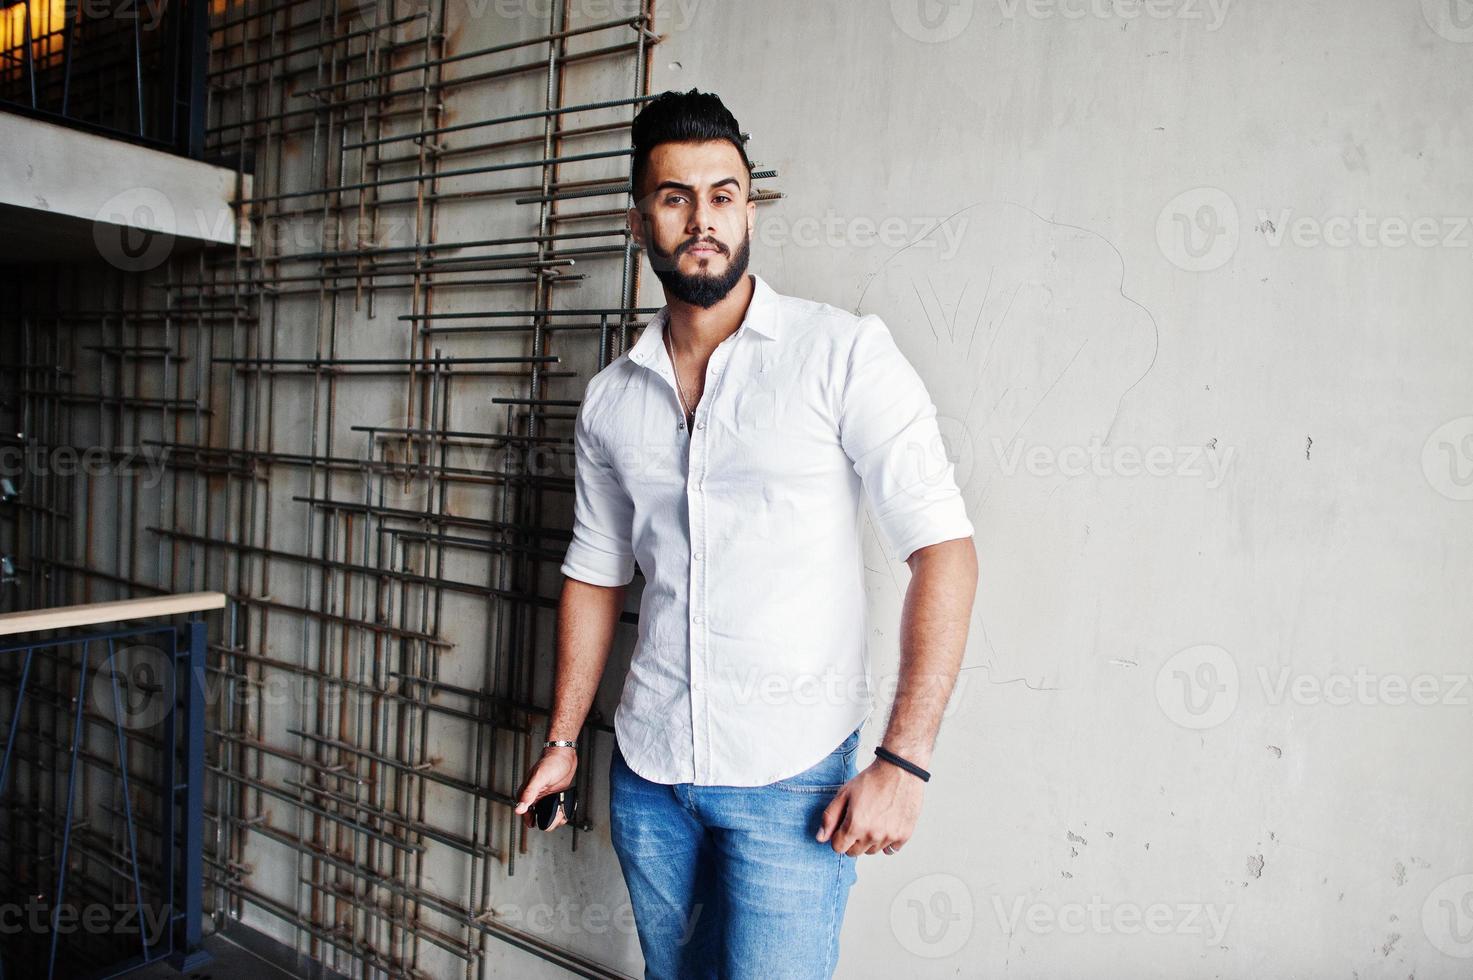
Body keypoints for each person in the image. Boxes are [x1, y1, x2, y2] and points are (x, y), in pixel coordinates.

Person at [514, 88, 979, 979]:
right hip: (649, 775)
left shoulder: (840, 354)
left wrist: (903, 762)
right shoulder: (613, 398)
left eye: (722, 195)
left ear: (748, 208)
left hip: (794, 781)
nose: (702, 220)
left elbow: (943, 549)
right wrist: (565, 739)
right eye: (675, 196)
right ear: (637, 220)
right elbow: (594, 571)